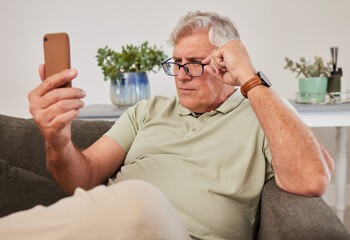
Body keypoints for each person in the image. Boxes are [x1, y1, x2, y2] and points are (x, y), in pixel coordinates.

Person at [0, 11, 334, 240]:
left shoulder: (262, 112)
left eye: (195, 64)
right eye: (176, 64)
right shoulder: (147, 110)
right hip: (111, 229)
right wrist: (56, 140)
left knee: (142, 200)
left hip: (175, 230)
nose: (182, 77)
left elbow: (312, 178)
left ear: (227, 63)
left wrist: (249, 77)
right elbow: (82, 178)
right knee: (133, 201)